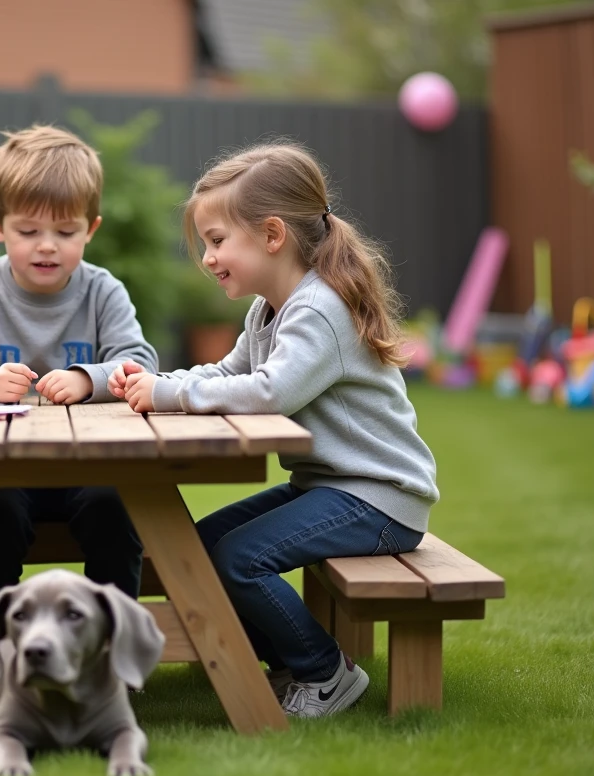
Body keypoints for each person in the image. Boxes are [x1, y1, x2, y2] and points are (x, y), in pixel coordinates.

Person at [111, 143, 439, 717]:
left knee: (239, 559)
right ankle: (287, 660)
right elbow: (231, 373)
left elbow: (270, 392)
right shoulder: (269, 307)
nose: (208, 258)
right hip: (331, 486)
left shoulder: (317, 309)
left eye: (216, 241)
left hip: (379, 497)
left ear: (271, 235)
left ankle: (325, 671)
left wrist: (169, 394)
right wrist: (160, 381)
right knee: (202, 545)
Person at [0, 124, 158, 604]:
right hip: (3, 468)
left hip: (90, 464)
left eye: (65, 231)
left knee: (116, 506)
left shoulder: (102, 291)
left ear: (90, 230)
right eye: (28, 231)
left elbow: (140, 361)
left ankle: (110, 650)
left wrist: (87, 378)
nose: (46, 245)